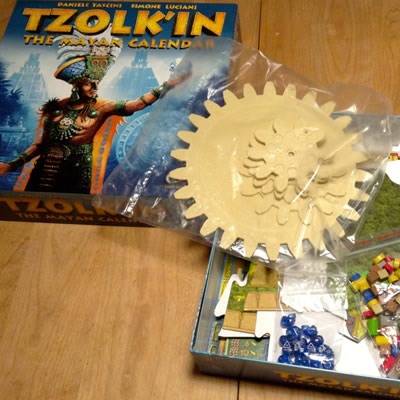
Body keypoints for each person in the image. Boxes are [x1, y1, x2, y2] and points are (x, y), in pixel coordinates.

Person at [0, 40, 179, 194]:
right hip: (43, 169)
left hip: (76, 171)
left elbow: (137, 104)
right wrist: (11, 165)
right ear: (76, 85)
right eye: (88, 83)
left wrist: (166, 85)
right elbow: (40, 145)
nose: (95, 87)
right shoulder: (56, 108)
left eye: (97, 83)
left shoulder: (103, 106)